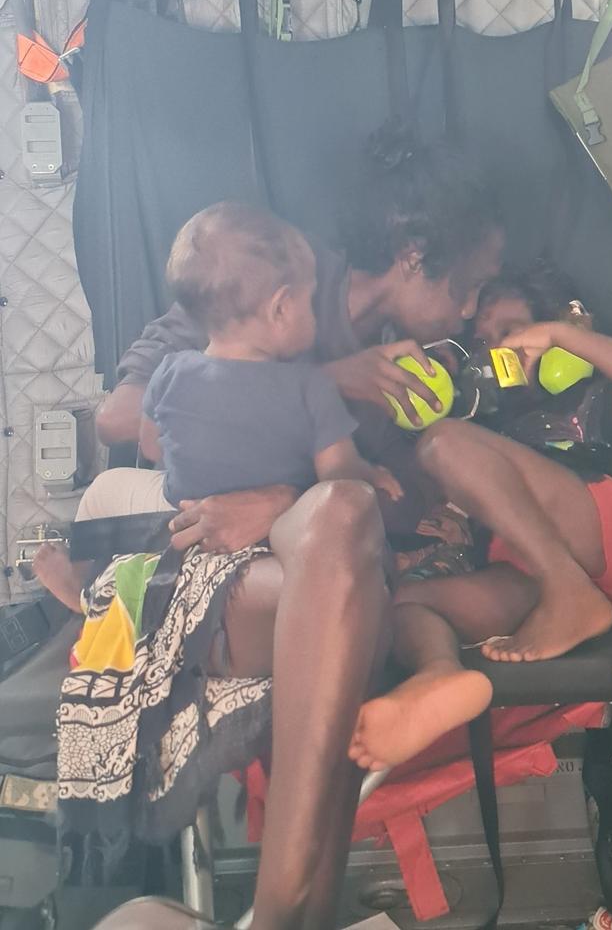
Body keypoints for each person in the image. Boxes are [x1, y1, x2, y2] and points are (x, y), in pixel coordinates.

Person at [45, 122, 506, 930]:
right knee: (339, 529)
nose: (469, 314)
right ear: (411, 256)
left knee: (343, 521)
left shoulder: (416, 369)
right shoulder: (261, 283)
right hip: (202, 563)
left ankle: (287, 911)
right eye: (465, 288)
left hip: (317, 578)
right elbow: (127, 418)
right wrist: (322, 387)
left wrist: (287, 498)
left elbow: (394, 511)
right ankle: (290, 906)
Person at [346, 261, 612, 773]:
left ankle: (569, 593)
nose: (500, 350)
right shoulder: (483, 418)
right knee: (405, 604)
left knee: (441, 445)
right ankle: (440, 674)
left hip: (599, 519)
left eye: (510, 331)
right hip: (525, 572)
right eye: (485, 341)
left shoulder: (588, 399)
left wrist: (560, 335)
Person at [35, 202, 402, 612]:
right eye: (310, 299)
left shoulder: (169, 372)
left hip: (179, 531)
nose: (317, 312)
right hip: (273, 543)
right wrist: (372, 471)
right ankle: (101, 599)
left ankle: (92, 593)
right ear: (280, 309)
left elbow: (153, 446)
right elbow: (340, 480)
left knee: (104, 490)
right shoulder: (311, 387)